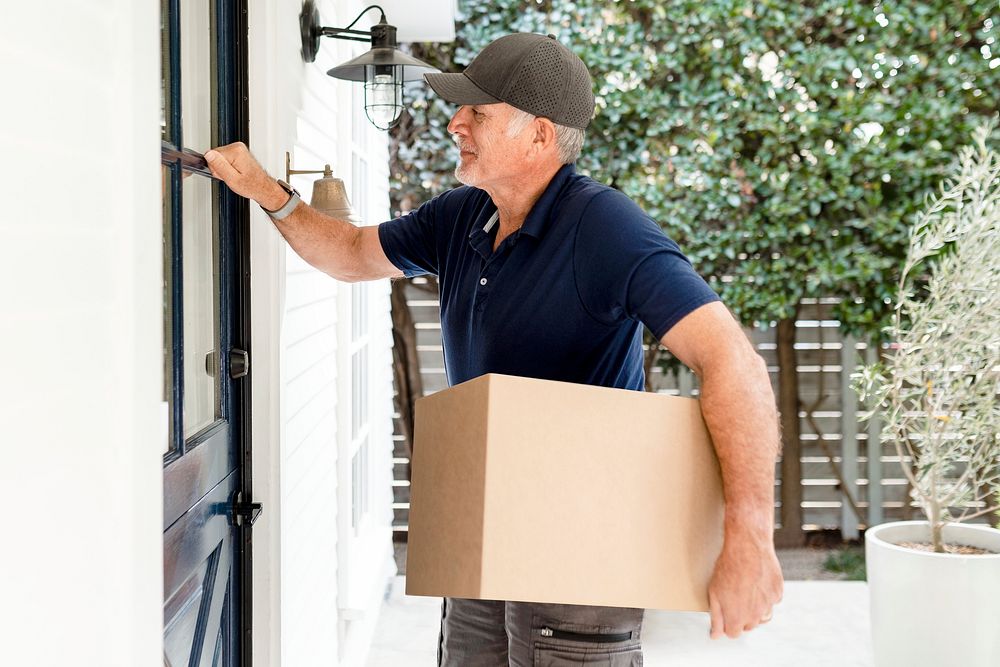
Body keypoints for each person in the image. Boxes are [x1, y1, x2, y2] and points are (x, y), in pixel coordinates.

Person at [206, 31, 783, 667]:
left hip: (579, 556)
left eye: (477, 112)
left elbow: (734, 363)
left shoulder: (605, 229)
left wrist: (748, 536)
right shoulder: (462, 216)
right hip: (485, 533)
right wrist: (266, 191)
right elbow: (349, 254)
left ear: (540, 135)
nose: (455, 123)